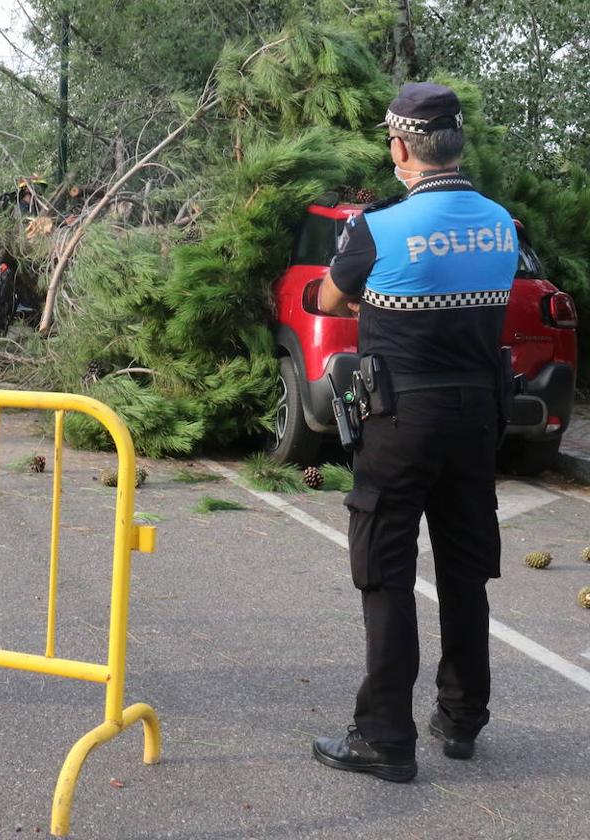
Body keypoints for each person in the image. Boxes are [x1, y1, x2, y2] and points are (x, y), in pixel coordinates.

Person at [312, 83, 519, 782]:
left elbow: (331, 298)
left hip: (400, 422)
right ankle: (461, 720)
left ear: (401, 148)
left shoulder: (379, 228)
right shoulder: (501, 224)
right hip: (477, 421)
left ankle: (384, 739)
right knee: (465, 573)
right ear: (457, 143)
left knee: (386, 573)